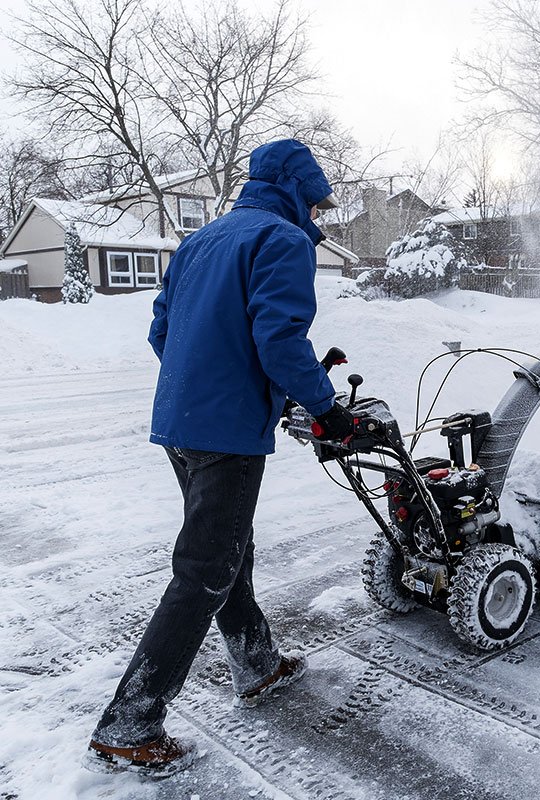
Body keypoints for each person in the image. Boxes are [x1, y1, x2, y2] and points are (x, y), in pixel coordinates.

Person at [85, 139, 355, 777]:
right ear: (295, 189)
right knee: (206, 568)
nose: (318, 211)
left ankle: (256, 663)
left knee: (227, 546)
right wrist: (326, 409)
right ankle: (130, 723)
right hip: (226, 433)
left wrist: (202, 387)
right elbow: (279, 339)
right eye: (315, 198)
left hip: (180, 423)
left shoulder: (202, 241)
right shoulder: (282, 242)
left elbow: (161, 329)